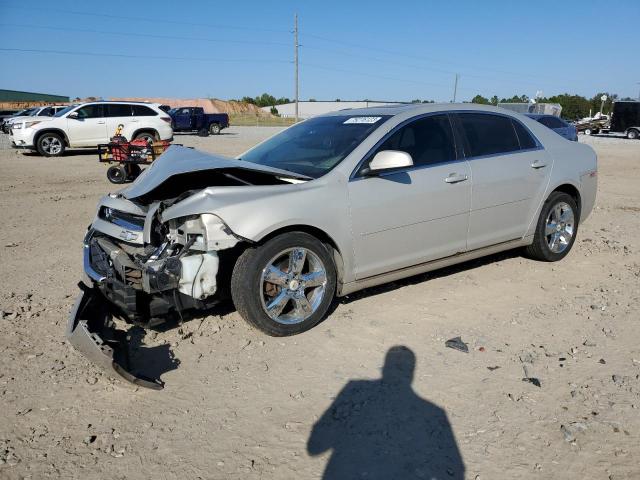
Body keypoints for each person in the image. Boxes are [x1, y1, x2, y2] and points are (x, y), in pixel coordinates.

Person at [308, 346, 464, 479]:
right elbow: (456, 470)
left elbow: (314, 448)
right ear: (412, 372)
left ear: (384, 367)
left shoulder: (354, 387)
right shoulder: (435, 412)